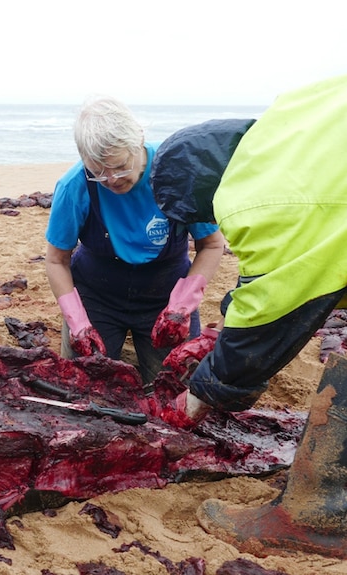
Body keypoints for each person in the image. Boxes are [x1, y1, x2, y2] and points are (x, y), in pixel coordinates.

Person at [151, 75, 347, 558]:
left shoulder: (260, 198)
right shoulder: (292, 121)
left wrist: (200, 395)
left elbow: (267, 313)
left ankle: (312, 516)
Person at [44, 96, 225, 386]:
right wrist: (77, 320)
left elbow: (212, 245)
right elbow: (56, 260)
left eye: (120, 166)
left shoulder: (177, 176)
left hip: (166, 294)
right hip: (97, 294)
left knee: (174, 386)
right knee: (86, 385)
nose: (112, 179)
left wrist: (182, 304)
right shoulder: (74, 185)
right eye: (98, 171)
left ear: (138, 140)